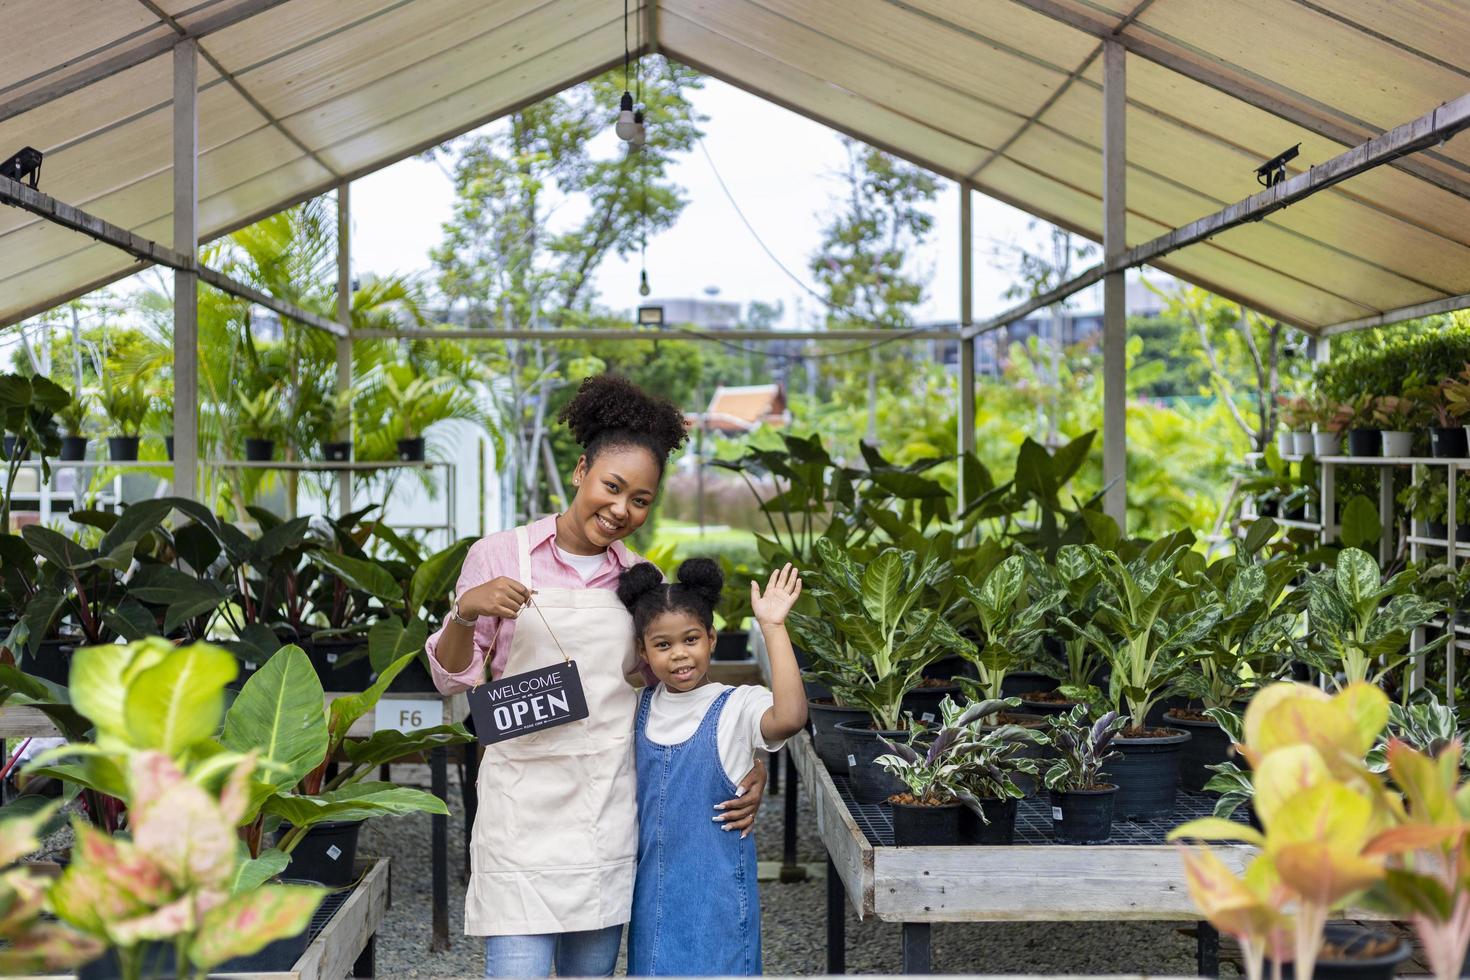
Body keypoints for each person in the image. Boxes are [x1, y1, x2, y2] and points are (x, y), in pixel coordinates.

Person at [426, 375, 766, 978]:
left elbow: (675, 689)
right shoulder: (499, 556)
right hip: (518, 813)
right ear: (582, 469)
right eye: (612, 487)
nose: (621, 510)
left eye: (640, 499)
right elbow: (452, 680)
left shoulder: (639, 578)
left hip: (605, 811)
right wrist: (465, 610)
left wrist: (743, 760)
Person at [617, 558, 808, 976]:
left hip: (718, 899)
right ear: (643, 652)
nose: (680, 654)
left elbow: (791, 717)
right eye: (663, 645)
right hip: (650, 898)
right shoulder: (636, 709)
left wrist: (774, 628)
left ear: (712, 638)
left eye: (691, 639)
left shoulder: (738, 705)